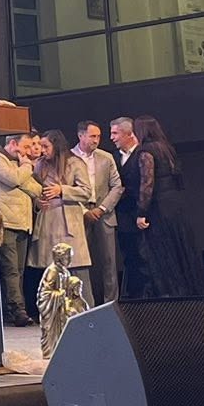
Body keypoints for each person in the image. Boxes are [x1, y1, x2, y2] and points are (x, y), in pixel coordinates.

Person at [125, 115, 204, 301]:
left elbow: (147, 184)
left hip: (159, 209)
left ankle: (170, 295)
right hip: (176, 206)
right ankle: (188, 294)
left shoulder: (146, 152)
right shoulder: (167, 149)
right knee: (180, 250)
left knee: (162, 253)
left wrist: (141, 212)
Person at [28, 129, 92, 298]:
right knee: (50, 272)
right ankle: (54, 310)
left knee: (76, 270)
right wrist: (37, 202)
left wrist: (62, 190)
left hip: (68, 222)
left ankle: (86, 309)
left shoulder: (74, 163)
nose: (42, 150)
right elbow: (34, 190)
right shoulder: (40, 165)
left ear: (56, 145)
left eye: (46, 146)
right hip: (47, 221)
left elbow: (86, 191)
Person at [0, 133, 42, 326]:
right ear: (13, 143)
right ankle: (17, 310)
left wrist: (22, 175)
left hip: (23, 222)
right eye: (26, 146)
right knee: (10, 269)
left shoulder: (19, 165)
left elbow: (37, 189)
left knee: (19, 270)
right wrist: (26, 167)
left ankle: (14, 309)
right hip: (7, 223)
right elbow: (13, 179)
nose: (28, 152)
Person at [73, 120, 123, 303]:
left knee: (109, 261)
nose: (96, 140)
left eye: (98, 137)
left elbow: (117, 186)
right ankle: (85, 304)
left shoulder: (106, 157)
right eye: (92, 136)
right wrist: (84, 211)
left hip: (104, 212)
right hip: (79, 214)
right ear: (81, 136)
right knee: (80, 262)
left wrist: (102, 208)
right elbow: (67, 187)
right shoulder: (69, 158)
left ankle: (112, 303)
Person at [110, 116, 144, 298]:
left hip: (141, 214)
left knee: (145, 256)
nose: (112, 138)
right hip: (123, 216)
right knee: (129, 257)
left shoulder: (143, 154)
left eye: (115, 133)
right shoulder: (113, 157)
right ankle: (133, 296)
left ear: (128, 134)